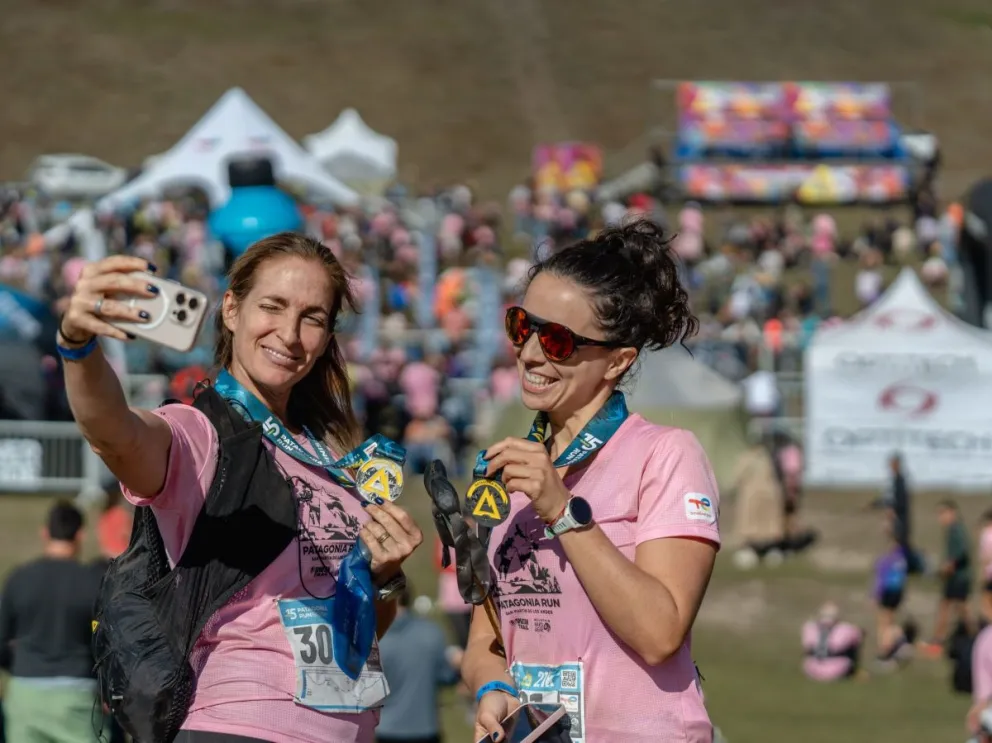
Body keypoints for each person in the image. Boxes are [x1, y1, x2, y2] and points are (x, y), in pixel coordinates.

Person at [57, 234, 423, 743]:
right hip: (240, 723)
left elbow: (358, 635)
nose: (290, 334)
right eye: (272, 307)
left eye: (313, 318)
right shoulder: (202, 434)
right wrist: (78, 346)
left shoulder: (324, 457)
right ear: (231, 309)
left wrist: (381, 577)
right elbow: (116, 434)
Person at [462, 220, 721, 743]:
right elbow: (486, 643)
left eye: (557, 340)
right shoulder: (518, 471)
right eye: (521, 326)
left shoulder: (666, 454)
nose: (531, 353)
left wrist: (562, 510)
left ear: (618, 361)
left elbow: (659, 633)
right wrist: (492, 689)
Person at [0, 500, 104, 743]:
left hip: (26, 693)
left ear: (45, 532)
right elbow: (105, 644)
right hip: (77, 695)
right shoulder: (93, 583)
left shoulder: (19, 579)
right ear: (80, 534)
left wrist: (22, 664)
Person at [375, 586, 461, 743]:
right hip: (425, 729)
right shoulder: (431, 632)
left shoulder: (374, 638)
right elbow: (447, 676)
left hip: (386, 729)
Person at [923, 500, 974, 658]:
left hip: (958, 577)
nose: (941, 518)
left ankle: (939, 642)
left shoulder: (956, 529)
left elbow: (961, 552)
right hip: (956, 577)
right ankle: (942, 640)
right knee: (954, 608)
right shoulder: (953, 530)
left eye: (942, 513)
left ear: (952, 512)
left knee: (953, 609)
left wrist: (947, 567)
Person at [872, 518, 910, 665]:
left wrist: (875, 594)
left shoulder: (888, 558)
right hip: (898, 591)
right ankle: (894, 644)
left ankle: (884, 650)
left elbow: (881, 576)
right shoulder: (903, 555)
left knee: (883, 622)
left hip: (887, 590)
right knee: (891, 619)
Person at [800, 602, 865, 682]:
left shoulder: (809, 627)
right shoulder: (846, 629)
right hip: (836, 669)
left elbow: (807, 646)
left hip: (811, 669)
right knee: (853, 644)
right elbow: (859, 636)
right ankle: (854, 671)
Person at [979, 509, 992, 624]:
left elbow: (985, 556)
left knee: (987, 603)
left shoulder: (987, 534)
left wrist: (983, 574)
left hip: (990, 573)